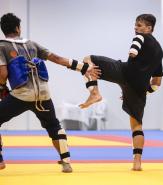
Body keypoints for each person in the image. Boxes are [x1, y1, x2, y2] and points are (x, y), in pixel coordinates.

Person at [0, 13, 100, 172]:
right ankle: (66, 162)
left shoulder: (1, 46)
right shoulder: (31, 44)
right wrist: (84, 67)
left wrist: (2, 88)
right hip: (43, 94)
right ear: (18, 28)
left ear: (3, 30)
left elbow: (3, 74)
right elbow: (57, 58)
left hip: (21, 95)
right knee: (53, 125)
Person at [79, 14, 163, 170]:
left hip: (123, 72)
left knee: (87, 59)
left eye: (139, 25)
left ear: (149, 28)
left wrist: (133, 50)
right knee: (137, 125)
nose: (135, 28)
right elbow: (157, 82)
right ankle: (137, 162)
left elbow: (134, 49)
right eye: (135, 25)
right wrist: (144, 91)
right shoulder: (159, 52)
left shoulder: (140, 38)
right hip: (138, 88)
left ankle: (94, 93)